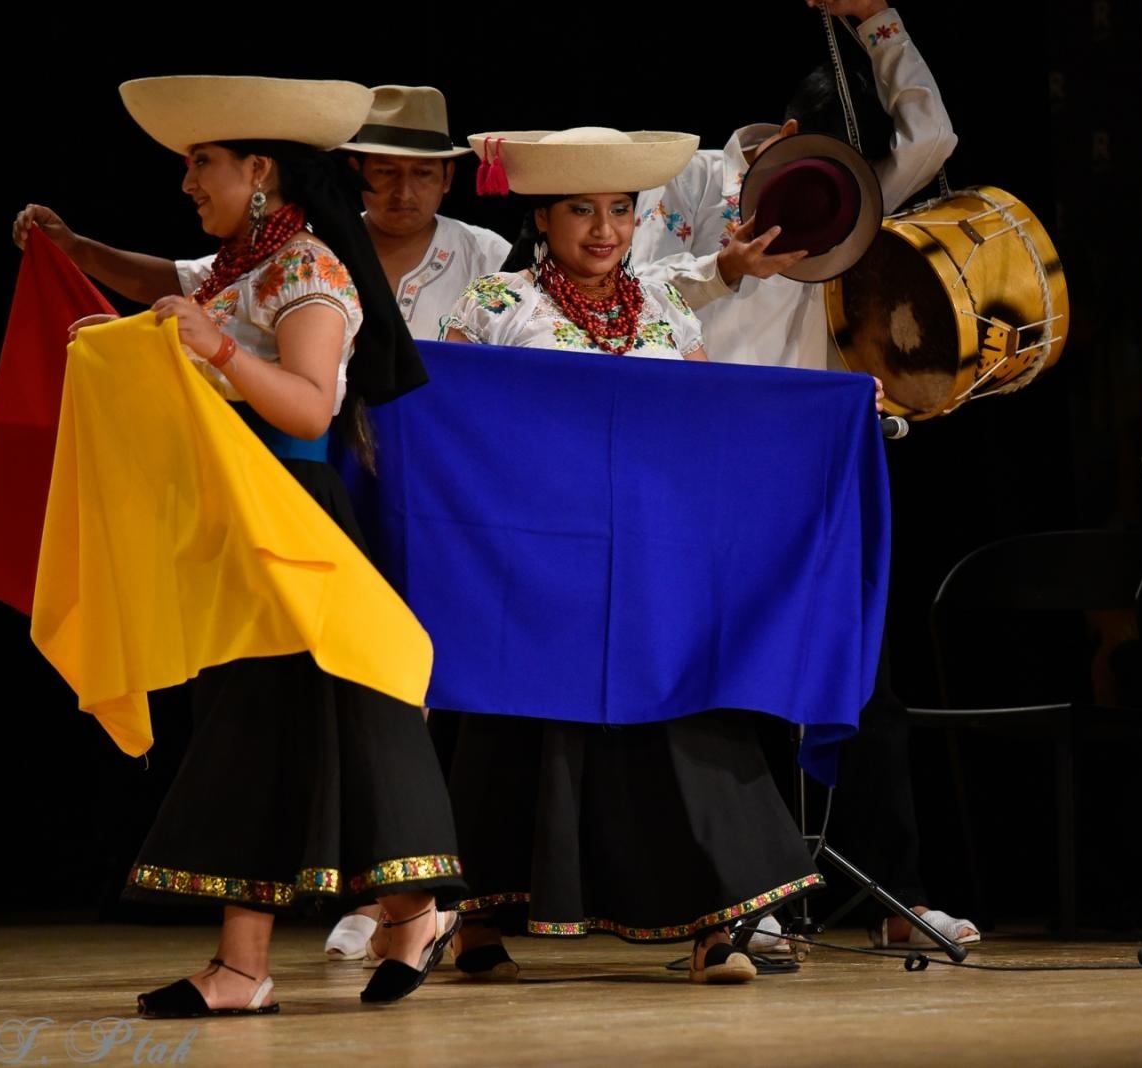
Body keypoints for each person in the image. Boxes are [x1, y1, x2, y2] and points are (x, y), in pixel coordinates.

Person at [11, 75, 466, 1013]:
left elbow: (308, 406)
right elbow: (163, 283)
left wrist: (211, 348)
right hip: (238, 516)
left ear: (259, 170)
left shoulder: (308, 269)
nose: (187, 182)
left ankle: (253, 964)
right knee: (306, 725)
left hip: (290, 511)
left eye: (202, 163)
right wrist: (79, 255)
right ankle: (407, 911)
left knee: (263, 722)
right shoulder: (239, 266)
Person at [437, 127, 825, 984]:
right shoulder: (495, 304)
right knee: (518, 729)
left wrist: (823, 412)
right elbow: (449, 420)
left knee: (685, 719)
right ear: (543, 218)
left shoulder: (662, 305)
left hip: (653, 557)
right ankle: (476, 921)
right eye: (581, 209)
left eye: (620, 209)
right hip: (538, 559)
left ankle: (715, 927)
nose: (605, 229)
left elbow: (708, 420)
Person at [632, 0, 978, 950]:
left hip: (819, 461)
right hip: (704, 461)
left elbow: (931, 135)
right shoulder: (690, 179)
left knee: (863, 679)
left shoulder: (849, 186)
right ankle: (747, 897)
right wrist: (725, 267)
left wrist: (878, 21)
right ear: (787, 137)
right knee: (728, 681)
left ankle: (896, 899)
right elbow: (635, 296)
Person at [321, 83, 509, 964]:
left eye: (423, 175)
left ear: (448, 179)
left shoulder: (486, 255)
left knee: (441, 681)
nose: (404, 191)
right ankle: (378, 889)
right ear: (358, 171)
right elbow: (188, 278)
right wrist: (77, 251)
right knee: (366, 677)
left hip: (455, 497)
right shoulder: (324, 244)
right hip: (345, 478)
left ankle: (428, 895)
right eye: (387, 173)